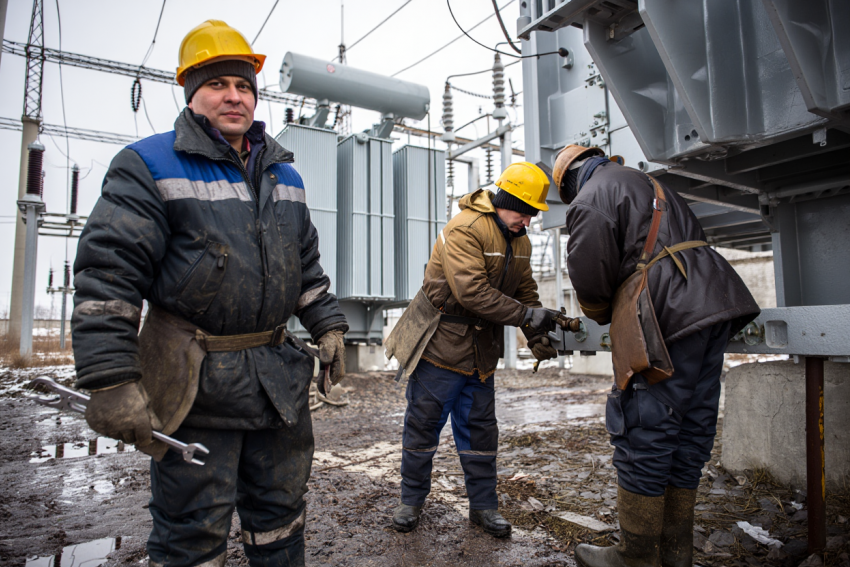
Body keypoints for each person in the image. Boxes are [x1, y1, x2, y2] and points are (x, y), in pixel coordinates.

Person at [71, 20, 347, 567]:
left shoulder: (283, 176)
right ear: (191, 93)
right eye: (219, 83)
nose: (234, 96)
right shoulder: (149, 164)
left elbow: (305, 266)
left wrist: (328, 324)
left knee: (281, 521)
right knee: (191, 537)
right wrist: (110, 379)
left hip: (275, 384)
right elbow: (109, 275)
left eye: (244, 86)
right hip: (196, 382)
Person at [552, 145, 759, 567]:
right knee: (690, 425)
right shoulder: (652, 184)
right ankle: (676, 548)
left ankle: (637, 554)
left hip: (666, 313)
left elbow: (590, 277)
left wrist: (602, 313)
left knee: (645, 425)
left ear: (570, 181)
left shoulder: (592, 196)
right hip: (713, 303)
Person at [385, 162, 562, 538]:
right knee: (423, 427)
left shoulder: (521, 240)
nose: (528, 221)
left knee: (482, 432)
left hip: (481, 353)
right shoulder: (464, 229)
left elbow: (524, 290)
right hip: (441, 348)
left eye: (533, 214)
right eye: (524, 211)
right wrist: (526, 317)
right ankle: (411, 501)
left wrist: (535, 331)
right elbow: (472, 293)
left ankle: (483, 508)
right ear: (504, 201)